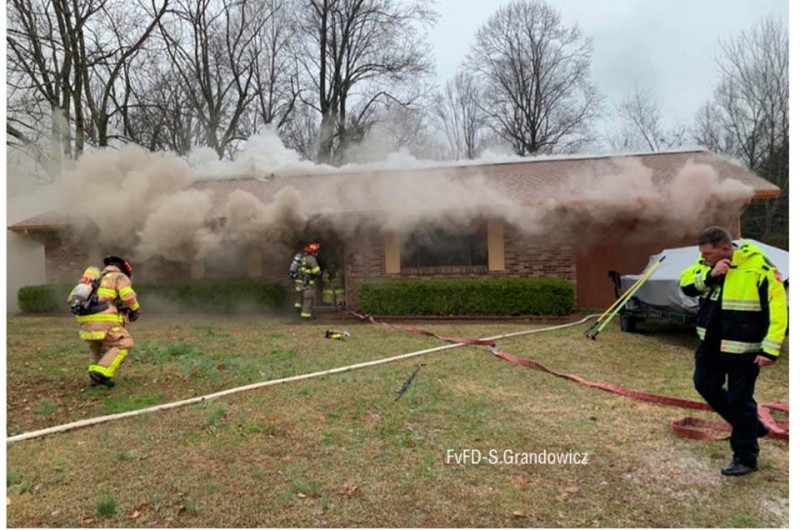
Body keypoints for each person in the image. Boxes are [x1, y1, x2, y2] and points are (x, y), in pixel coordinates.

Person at [679, 227, 787, 476]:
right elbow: (685, 284)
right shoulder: (706, 264)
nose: (703, 257)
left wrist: (770, 350)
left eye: (708, 253)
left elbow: (778, 311)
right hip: (710, 345)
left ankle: (745, 457)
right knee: (704, 384)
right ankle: (752, 425)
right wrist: (710, 275)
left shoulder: (759, 268)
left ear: (726, 248)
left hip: (743, 349)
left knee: (740, 400)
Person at [74, 255, 140, 388]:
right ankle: (101, 374)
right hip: (103, 318)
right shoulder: (119, 277)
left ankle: (95, 376)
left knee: (98, 348)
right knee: (124, 343)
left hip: (85, 318)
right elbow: (128, 296)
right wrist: (135, 309)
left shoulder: (96, 279)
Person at [293, 242, 321, 319]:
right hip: (307, 282)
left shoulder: (301, 257)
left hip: (299, 281)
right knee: (308, 298)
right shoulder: (311, 258)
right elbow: (316, 271)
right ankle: (306, 315)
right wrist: (320, 273)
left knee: (300, 295)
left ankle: (297, 306)